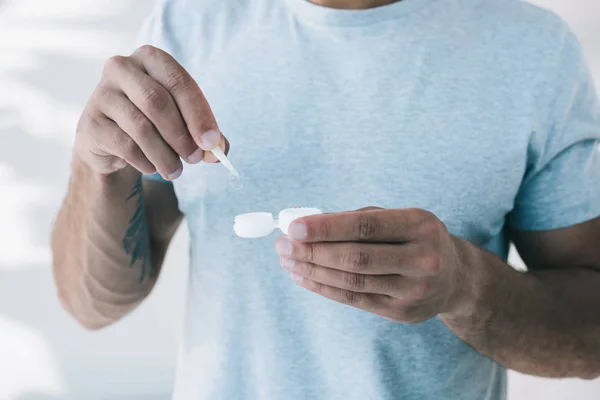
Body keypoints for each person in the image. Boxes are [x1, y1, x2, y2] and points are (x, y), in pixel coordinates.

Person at [50, 0, 600, 399]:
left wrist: (466, 286)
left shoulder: (533, 50)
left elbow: (591, 335)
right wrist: (97, 168)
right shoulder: (185, 27)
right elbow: (91, 304)